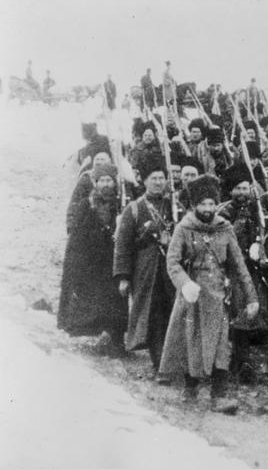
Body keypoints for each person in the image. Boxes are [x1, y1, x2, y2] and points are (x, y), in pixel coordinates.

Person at [158, 175, 259, 413]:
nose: (207, 209)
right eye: (202, 204)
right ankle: (190, 389)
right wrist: (184, 283)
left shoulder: (225, 228)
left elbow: (239, 265)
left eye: (211, 204)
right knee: (193, 341)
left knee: (221, 344)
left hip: (219, 295)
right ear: (194, 205)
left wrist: (252, 298)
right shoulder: (184, 228)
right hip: (193, 295)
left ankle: (219, 395)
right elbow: (172, 262)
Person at [113, 155, 185, 377]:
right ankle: (159, 363)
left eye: (161, 178)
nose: (158, 182)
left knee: (173, 311)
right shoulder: (134, 209)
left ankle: (175, 360)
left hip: (172, 269)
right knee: (152, 315)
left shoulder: (174, 206)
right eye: (153, 178)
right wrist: (123, 276)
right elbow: (123, 245)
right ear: (144, 181)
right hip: (145, 271)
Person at [57, 162, 128, 352]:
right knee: (96, 300)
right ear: (96, 183)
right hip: (93, 262)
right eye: (102, 180)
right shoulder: (85, 205)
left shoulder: (122, 206)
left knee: (116, 302)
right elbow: (77, 238)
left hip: (114, 262)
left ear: (114, 183)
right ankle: (99, 337)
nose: (106, 184)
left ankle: (116, 340)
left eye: (109, 181)